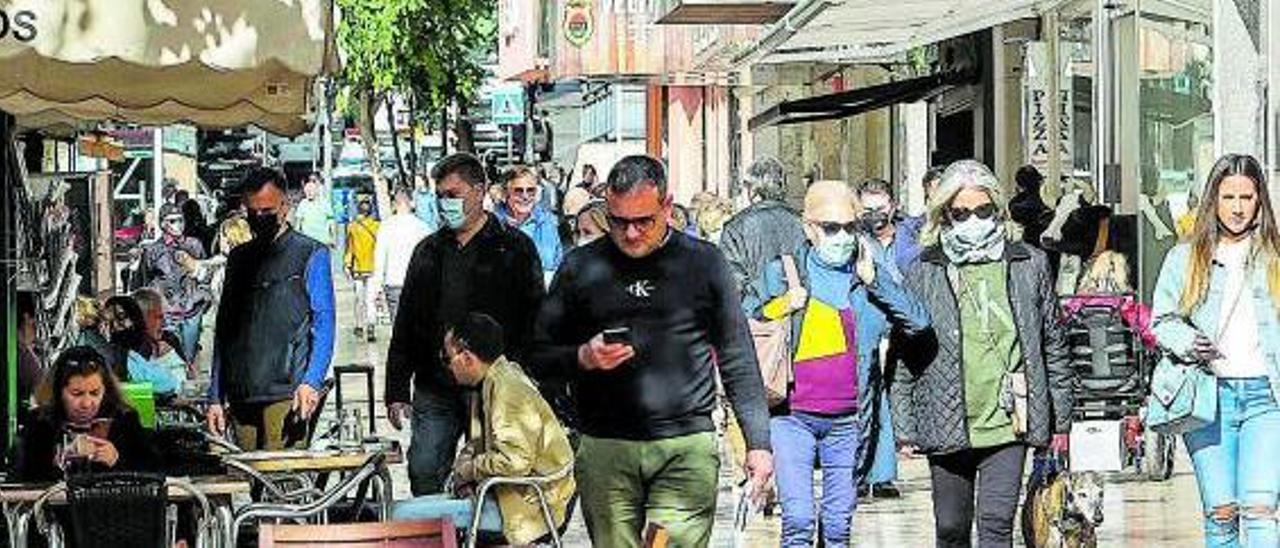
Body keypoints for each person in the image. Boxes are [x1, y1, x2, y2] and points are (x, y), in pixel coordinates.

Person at [530, 155, 773, 547]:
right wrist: (581, 358)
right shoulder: (580, 268)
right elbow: (537, 356)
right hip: (607, 448)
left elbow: (737, 355)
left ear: (667, 206)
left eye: (644, 221)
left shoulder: (703, 263)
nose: (630, 233)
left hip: (684, 448)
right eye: (618, 221)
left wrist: (758, 443)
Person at [893, 160, 1073, 548]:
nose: (973, 220)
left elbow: (1052, 343)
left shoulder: (1029, 263)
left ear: (997, 209)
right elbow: (905, 354)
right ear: (944, 215)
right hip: (945, 415)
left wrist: (1061, 419)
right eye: (961, 213)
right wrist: (904, 424)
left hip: (1010, 419)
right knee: (952, 529)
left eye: (983, 210)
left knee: (995, 525)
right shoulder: (923, 269)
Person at [743, 180, 930, 547]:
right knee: (797, 520)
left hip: (848, 421)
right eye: (831, 228)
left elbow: (918, 322)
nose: (842, 236)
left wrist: (876, 282)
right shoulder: (783, 273)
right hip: (791, 416)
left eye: (850, 227)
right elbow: (743, 327)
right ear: (808, 227)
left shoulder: (867, 277)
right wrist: (783, 305)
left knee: (839, 525)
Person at [385, 153, 545, 496]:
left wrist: (530, 376)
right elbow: (407, 321)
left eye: (453, 195)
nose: (446, 203)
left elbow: (535, 318)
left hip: (495, 386)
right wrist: (396, 388)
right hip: (436, 383)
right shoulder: (427, 251)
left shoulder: (515, 248)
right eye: (440, 195)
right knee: (425, 470)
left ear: (480, 191)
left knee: (493, 478)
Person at [1150, 153, 1280, 547]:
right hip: (1208, 399)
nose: (1238, 208)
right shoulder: (1185, 258)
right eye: (1229, 198)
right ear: (1213, 200)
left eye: (1247, 197)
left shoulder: (1275, 257)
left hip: (1266, 399)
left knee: (1260, 513)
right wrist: (1189, 341)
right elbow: (1161, 321)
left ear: (1260, 200)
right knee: (1221, 515)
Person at [393, 313, 575, 544]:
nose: (447, 366)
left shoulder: (508, 391)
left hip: (526, 508)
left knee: (399, 517)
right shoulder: (492, 381)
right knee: (408, 509)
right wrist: (464, 473)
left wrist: (470, 471)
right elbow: (477, 445)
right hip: (507, 496)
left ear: (467, 357)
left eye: (446, 358)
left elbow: (515, 462)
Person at [206, 167, 336, 451]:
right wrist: (215, 395)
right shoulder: (239, 259)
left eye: (267, 210)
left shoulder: (311, 253)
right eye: (253, 211)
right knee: (250, 480)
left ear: (285, 206)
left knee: (284, 482)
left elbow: (324, 322)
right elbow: (225, 328)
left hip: (288, 390)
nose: (259, 218)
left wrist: (312, 381)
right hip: (242, 390)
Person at [852, 178, 925, 500]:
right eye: (867, 209)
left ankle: (882, 471)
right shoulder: (853, 240)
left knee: (889, 397)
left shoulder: (909, 239)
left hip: (907, 326)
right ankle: (872, 472)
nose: (874, 215)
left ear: (893, 206)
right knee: (873, 397)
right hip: (871, 327)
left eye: (879, 209)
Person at [15, 346, 161, 481]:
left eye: (95, 393)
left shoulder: (124, 420)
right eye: (77, 394)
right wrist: (54, 465)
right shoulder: (39, 423)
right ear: (58, 392)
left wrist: (118, 461)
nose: (86, 403)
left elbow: (155, 471)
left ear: (106, 390)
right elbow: (21, 478)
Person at [721, 156, 807, 296]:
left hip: (756, 311)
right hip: (802, 309)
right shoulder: (803, 222)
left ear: (753, 190)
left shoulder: (736, 227)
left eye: (747, 186)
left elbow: (732, 284)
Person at [136, 203, 208, 361]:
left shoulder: (194, 245)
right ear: (163, 223)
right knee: (166, 358)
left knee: (189, 357)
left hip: (192, 310)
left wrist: (202, 300)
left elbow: (205, 275)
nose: (179, 224)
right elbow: (144, 280)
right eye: (173, 220)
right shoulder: (152, 250)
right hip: (166, 312)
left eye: (181, 220)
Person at [496, 166, 563, 285]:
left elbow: (558, 265)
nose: (525, 196)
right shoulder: (492, 224)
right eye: (518, 190)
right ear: (506, 193)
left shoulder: (548, 223)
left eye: (531, 190)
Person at [374, 189, 432, 321]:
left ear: (395, 204)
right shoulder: (422, 227)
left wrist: (377, 287)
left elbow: (380, 258)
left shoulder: (386, 226)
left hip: (394, 283)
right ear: (411, 203)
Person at [132, 288, 191, 394]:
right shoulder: (127, 351)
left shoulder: (170, 340)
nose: (164, 323)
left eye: (164, 316)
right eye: (158, 317)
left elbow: (187, 381)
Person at [345, 198, 381, 342]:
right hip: (372, 268)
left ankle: (359, 326)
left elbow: (350, 249)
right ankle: (371, 326)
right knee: (370, 299)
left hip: (358, 268)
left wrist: (347, 265)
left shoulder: (352, 227)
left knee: (359, 299)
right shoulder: (377, 227)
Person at [294, 176, 336, 247]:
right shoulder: (303, 204)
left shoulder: (325, 204)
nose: (309, 193)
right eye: (307, 191)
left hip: (323, 241)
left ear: (316, 191)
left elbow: (331, 221)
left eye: (311, 191)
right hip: (307, 242)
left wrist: (333, 238)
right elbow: (298, 222)